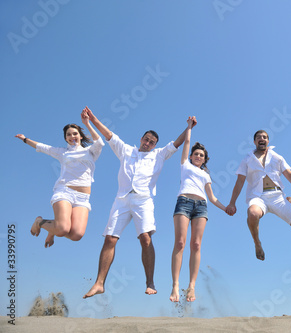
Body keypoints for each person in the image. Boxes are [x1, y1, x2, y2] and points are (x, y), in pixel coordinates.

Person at [83, 108, 195, 298]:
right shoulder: (126, 150)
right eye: (146, 139)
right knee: (110, 238)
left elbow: (177, 143)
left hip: (144, 200)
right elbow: (108, 135)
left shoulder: (159, 154)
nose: (148, 143)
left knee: (145, 238)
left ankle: (150, 282)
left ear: (154, 145)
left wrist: (189, 127)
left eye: (152, 142)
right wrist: (93, 119)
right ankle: (99, 283)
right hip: (122, 199)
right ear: (141, 139)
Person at [15, 107, 104, 248]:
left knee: (76, 235)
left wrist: (87, 123)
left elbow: (99, 142)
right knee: (63, 229)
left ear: (80, 136)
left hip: (83, 198)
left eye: (75, 133)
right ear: (66, 139)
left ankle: (53, 230)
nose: (72, 136)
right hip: (65, 192)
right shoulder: (63, 153)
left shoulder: (91, 152)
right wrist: (25, 139)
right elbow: (43, 147)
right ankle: (40, 222)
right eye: (68, 135)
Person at [169, 118, 228, 303]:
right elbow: (186, 143)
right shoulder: (184, 165)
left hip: (202, 207)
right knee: (180, 243)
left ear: (204, 159)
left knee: (196, 245)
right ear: (191, 155)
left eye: (201, 155)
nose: (198, 156)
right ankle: (175, 285)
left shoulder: (205, 174)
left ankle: (192, 286)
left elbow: (212, 197)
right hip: (184, 203)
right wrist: (188, 127)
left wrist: (226, 208)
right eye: (196, 154)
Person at [225, 130, 291, 261]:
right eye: (258, 137)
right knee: (252, 213)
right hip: (258, 197)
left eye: (264, 137)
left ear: (268, 141)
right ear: (254, 142)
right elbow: (240, 182)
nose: (261, 139)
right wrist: (232, 202)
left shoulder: (277, 157)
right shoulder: (247, 159)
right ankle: (257, 243)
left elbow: (289, 175)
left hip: (278, 197)